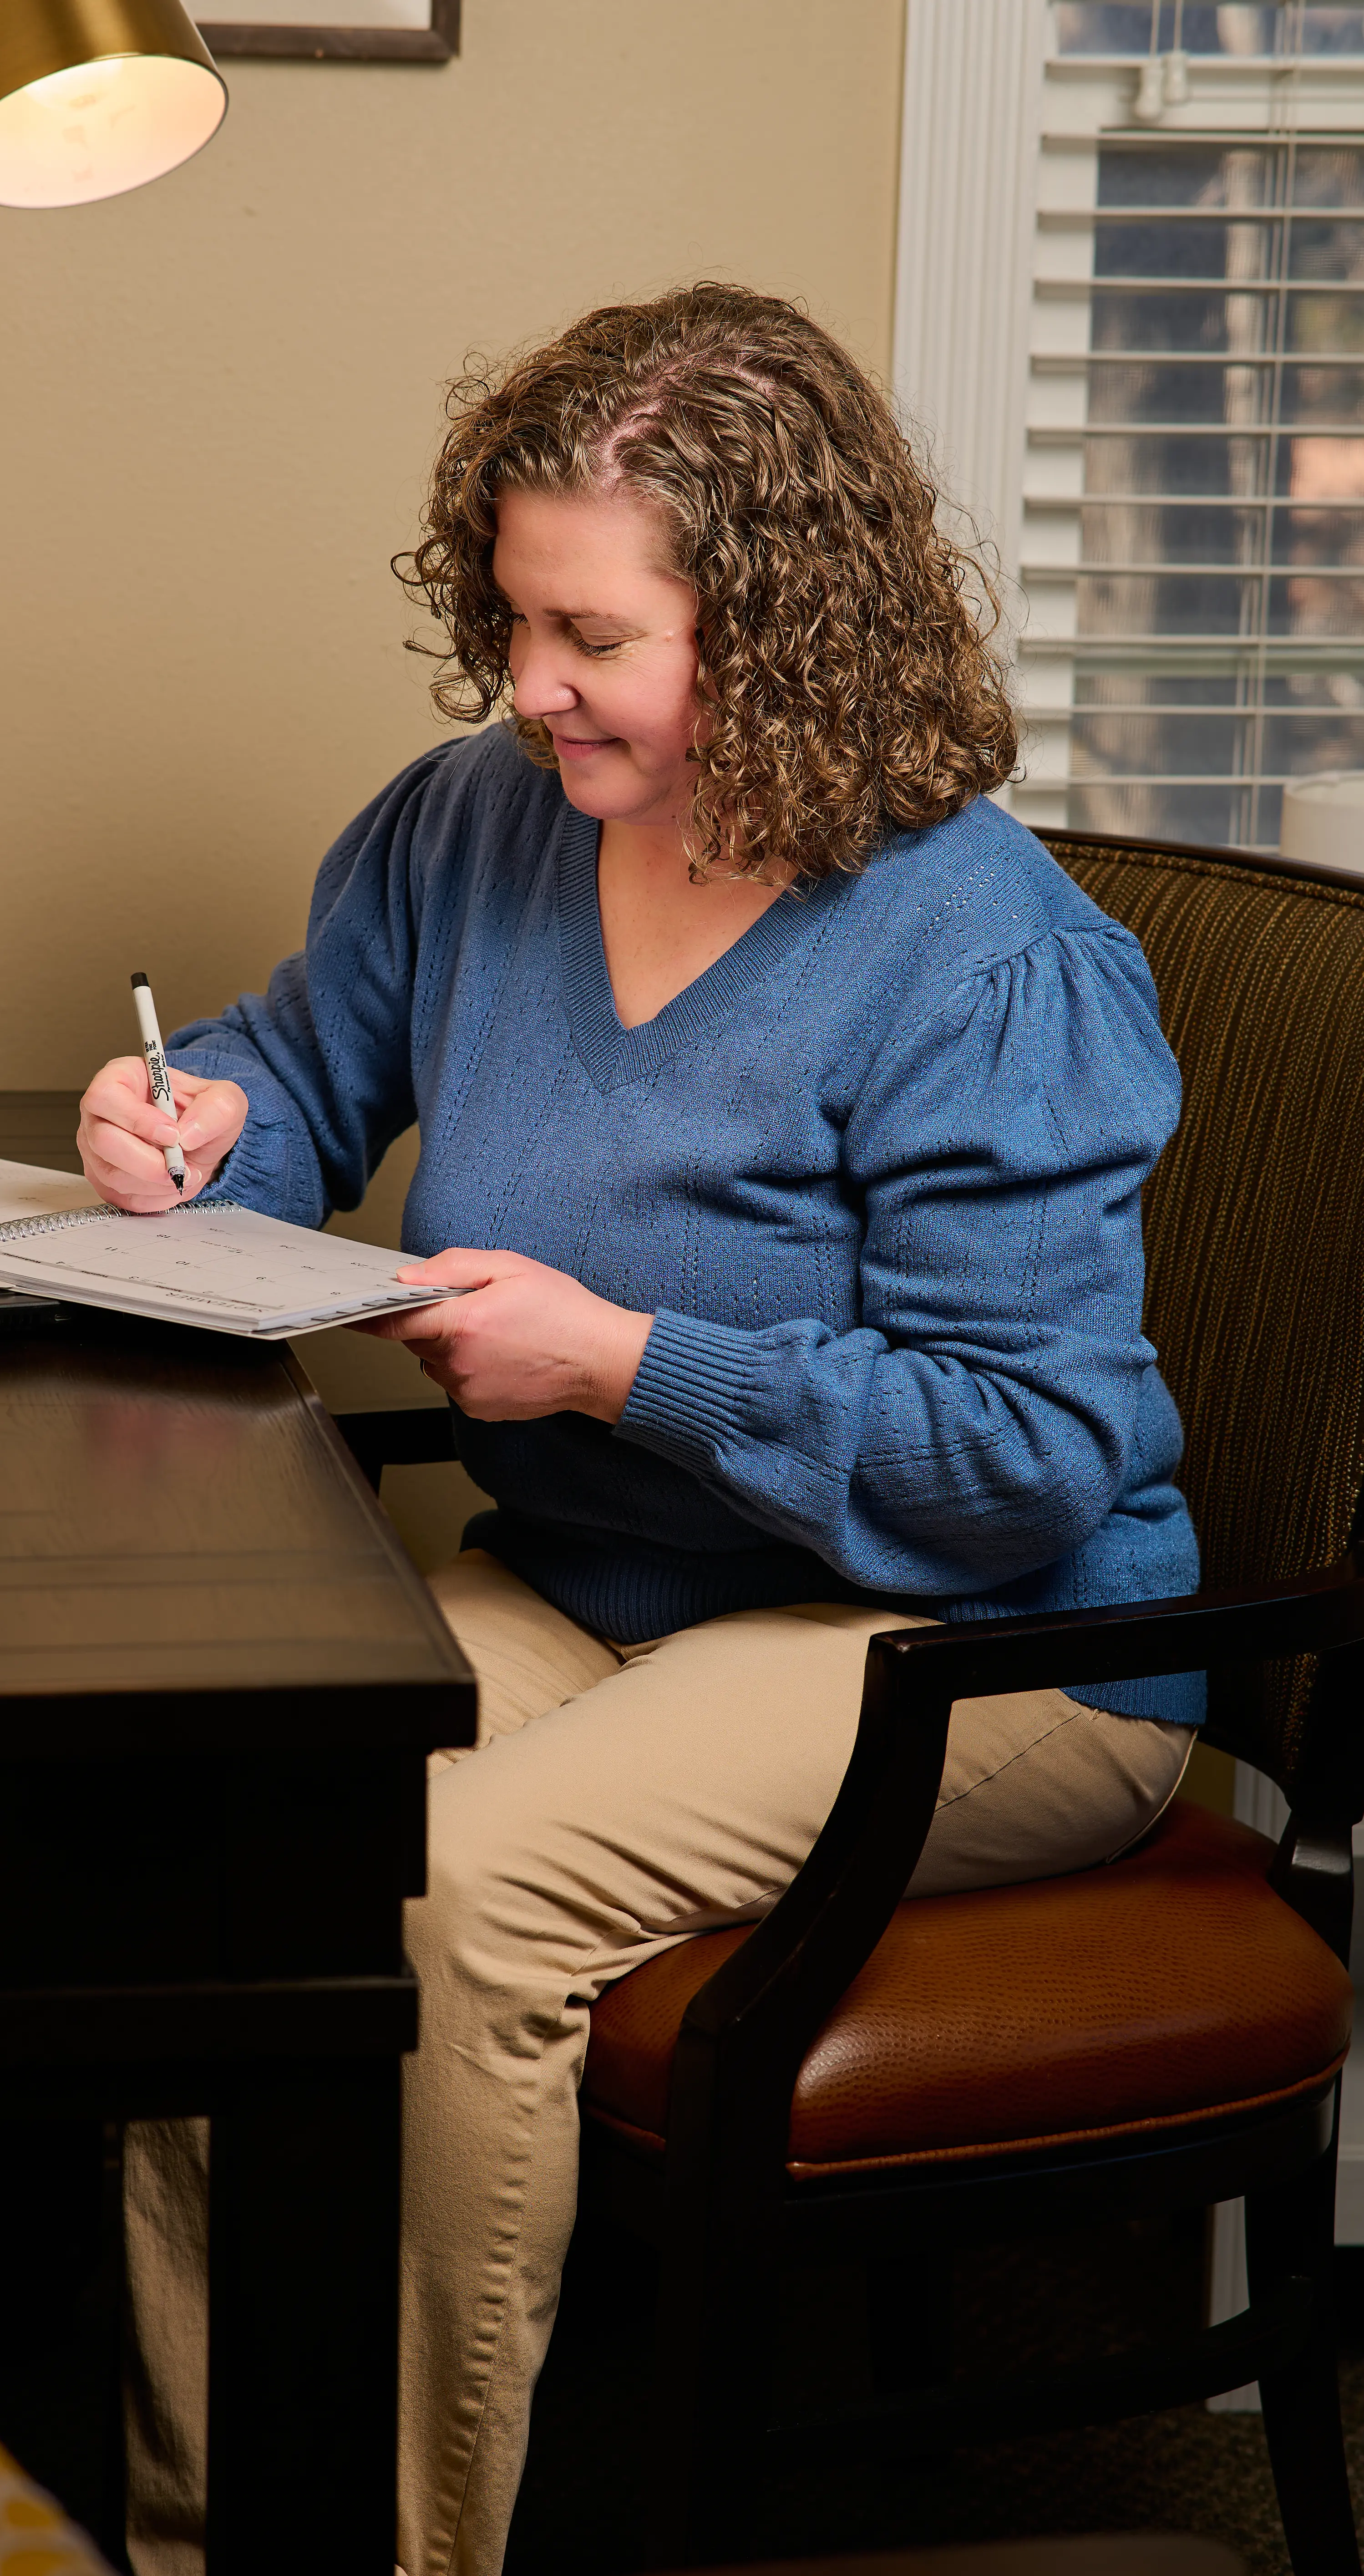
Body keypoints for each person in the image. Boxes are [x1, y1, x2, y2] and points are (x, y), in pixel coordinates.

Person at [76, 282, 1201, 2576]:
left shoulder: (977, 950)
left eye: (586, 631)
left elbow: (1026, 1452)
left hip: (988, 1642)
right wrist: (199, 1116)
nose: (524, 684)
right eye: (507, 617)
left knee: (470, 1894)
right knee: (227, 1846)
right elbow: (304, 1071)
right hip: (616, 1585)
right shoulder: (472, 830)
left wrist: (623, 1362)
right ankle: (206, 2532)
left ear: (775, 630)